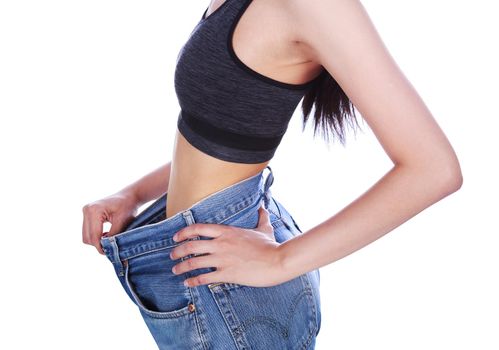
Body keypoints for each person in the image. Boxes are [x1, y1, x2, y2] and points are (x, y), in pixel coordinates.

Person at [82, 0, 463, 349]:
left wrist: (279, 260)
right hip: (207, 264)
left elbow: (435, 169)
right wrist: (132, 194)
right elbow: (225, 136)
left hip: (232, 288)